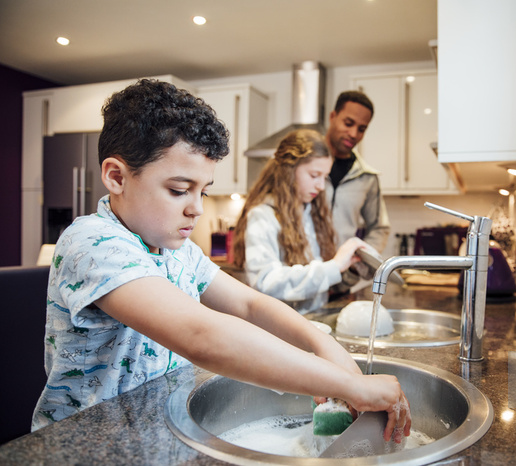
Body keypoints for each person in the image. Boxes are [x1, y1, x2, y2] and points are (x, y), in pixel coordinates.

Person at [31, 79, 411, 443]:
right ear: (116, 177)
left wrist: (326, 348)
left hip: (154, 432)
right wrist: (349, 385)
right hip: (87, 445)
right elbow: (202, 336)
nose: (196, 209)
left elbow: (249, 303)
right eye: (179, 190)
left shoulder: (178, 251)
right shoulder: (93, 243)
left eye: (204, 191)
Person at [232, 129, 373, 313]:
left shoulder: (313, 212)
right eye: (314, 176)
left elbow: (316, 281)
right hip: (279, 328)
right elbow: (264, 281)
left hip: (313, 321)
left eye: (324, 177)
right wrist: (334, 266)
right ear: (289, 171)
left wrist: (350, 268)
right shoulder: (263, 216)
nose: (321, 186)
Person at [324, 91, 391, 290]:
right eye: (348, 123)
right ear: (333, 117)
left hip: (341, 283)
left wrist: (357, 267)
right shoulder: (304, 165)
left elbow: (379, 228)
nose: (354, 134)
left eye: (362, 129)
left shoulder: (367, 177)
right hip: (300, 277)